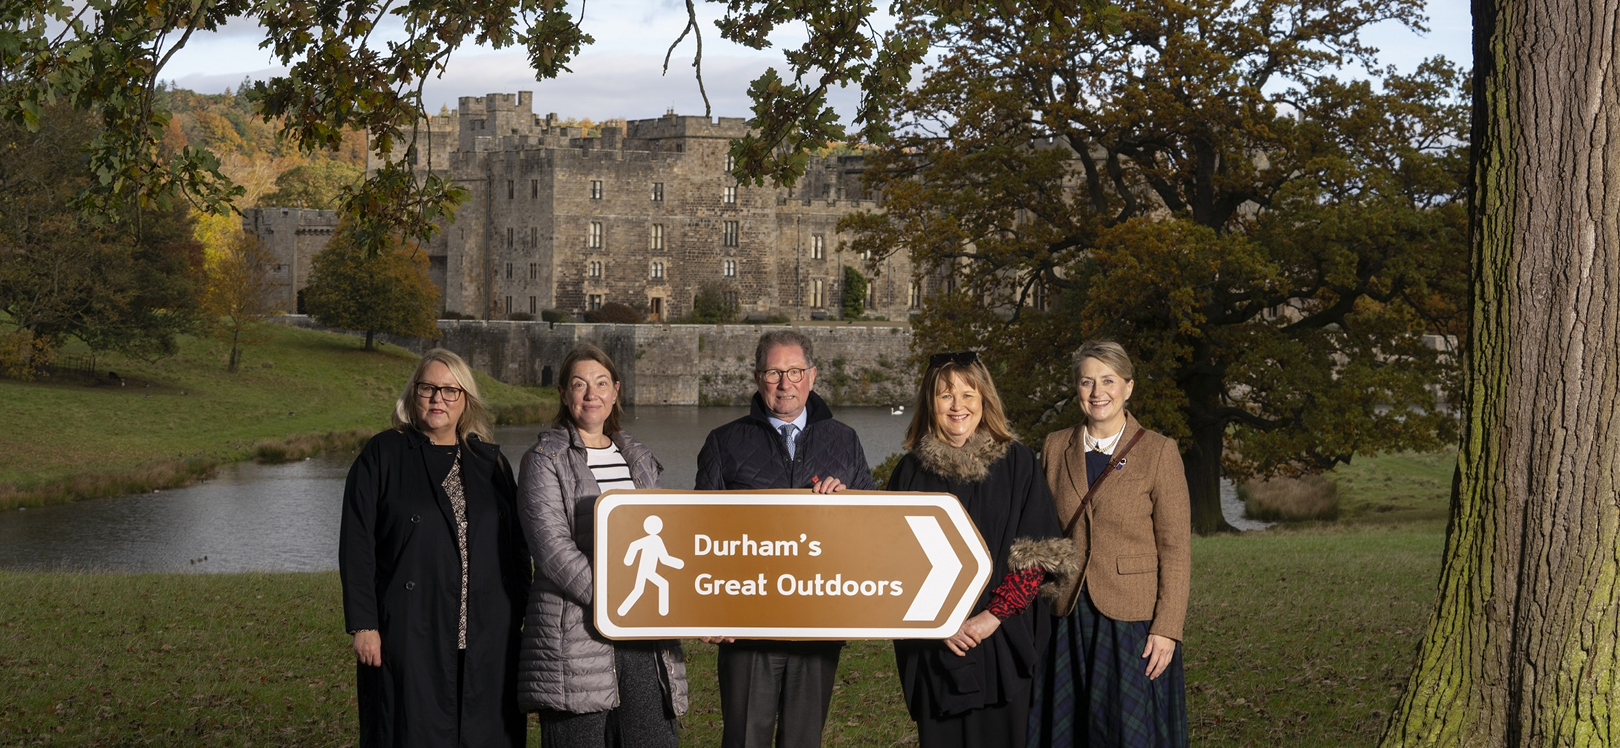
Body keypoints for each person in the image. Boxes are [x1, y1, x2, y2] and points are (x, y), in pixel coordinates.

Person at [339, 349, 529, 748]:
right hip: (411, 629)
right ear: (413, 394)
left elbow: (516, 549)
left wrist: (522, 615)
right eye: (428, 388)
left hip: (487, 633)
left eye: (449, 390)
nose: (438, 399)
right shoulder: (384, 454)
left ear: (466, 401)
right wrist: (364, 624)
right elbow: (357, 545)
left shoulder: (489, 463)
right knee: (411, 731)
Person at [694, 329, 875, 748]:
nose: (785, 383)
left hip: (819, 622)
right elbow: (699, 533)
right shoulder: (723, 442)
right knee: (744, 740)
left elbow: (871, 529)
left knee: (803, 741)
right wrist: (706, 607)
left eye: (794, 371)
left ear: (812, 375)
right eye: (774, 372)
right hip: (746, 628)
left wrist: (848, 504)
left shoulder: (844, 440)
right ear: (758, 378)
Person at [885, 350, 1074, 748]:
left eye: (968, 395)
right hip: (933, 647)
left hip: (1001, 642)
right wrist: (938, 626)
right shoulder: (909, 473)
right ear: (929, 403)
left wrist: (992, 617)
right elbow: (894, 569)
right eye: (945, 395)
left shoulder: (1018, 463)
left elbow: (1037, 557)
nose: (958, 406)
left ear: (984, 400)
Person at [516, 342, 688, 747]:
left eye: (600, 383)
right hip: (575, 637)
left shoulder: (640, 459)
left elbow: (668, 538)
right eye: (579, 385)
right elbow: (553, 552)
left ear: (616, 391)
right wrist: (615, 600)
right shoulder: (543, 460)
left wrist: (689, 605)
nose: (591, 395)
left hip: (643, 638)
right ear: (563, 394)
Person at [1028, 340, 1192, 747]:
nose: (1098, 392)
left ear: (1128, 387)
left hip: (1133, 620)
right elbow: (1041, 533)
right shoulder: (1054, 446)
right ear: (1077, 389)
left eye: (1108, 380)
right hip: (1066, 614)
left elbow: (1175, 549)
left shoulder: (1159, 451)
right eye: (1087, 382)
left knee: (1127, 734)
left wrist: (1168, 628)